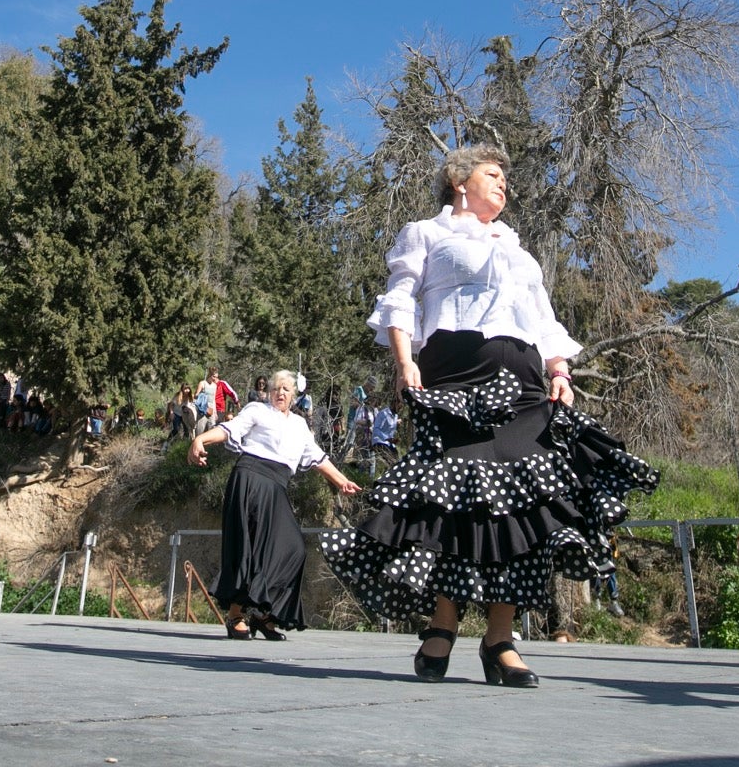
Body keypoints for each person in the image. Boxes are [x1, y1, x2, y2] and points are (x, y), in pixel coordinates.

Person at [321, 146, 658, 688]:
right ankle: (443, 624)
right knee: (458, 498)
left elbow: (541, 316)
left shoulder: (516, 248)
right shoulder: (425, 233)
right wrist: (404, 361)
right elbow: (401, 298)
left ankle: (500, 638)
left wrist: (560, 371)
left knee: (522, 505)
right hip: (451, 376)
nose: (504, 186)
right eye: (493, 175)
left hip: (524, 383)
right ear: (460, 181)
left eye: (506, 179)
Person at [191, 370, 359, 639]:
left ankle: (262, 613)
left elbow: (316, 457)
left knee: (293, 549)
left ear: (294, 395)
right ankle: (236, 614)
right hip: (250, 478)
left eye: (286, 389)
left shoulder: (300, 425)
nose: (281, 393)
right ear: (269, 392)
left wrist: (342, 481)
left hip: (277, 486)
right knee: (248, 548)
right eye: (276, 388)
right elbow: (230, 430)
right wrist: (201, 439)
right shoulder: (257, 410)